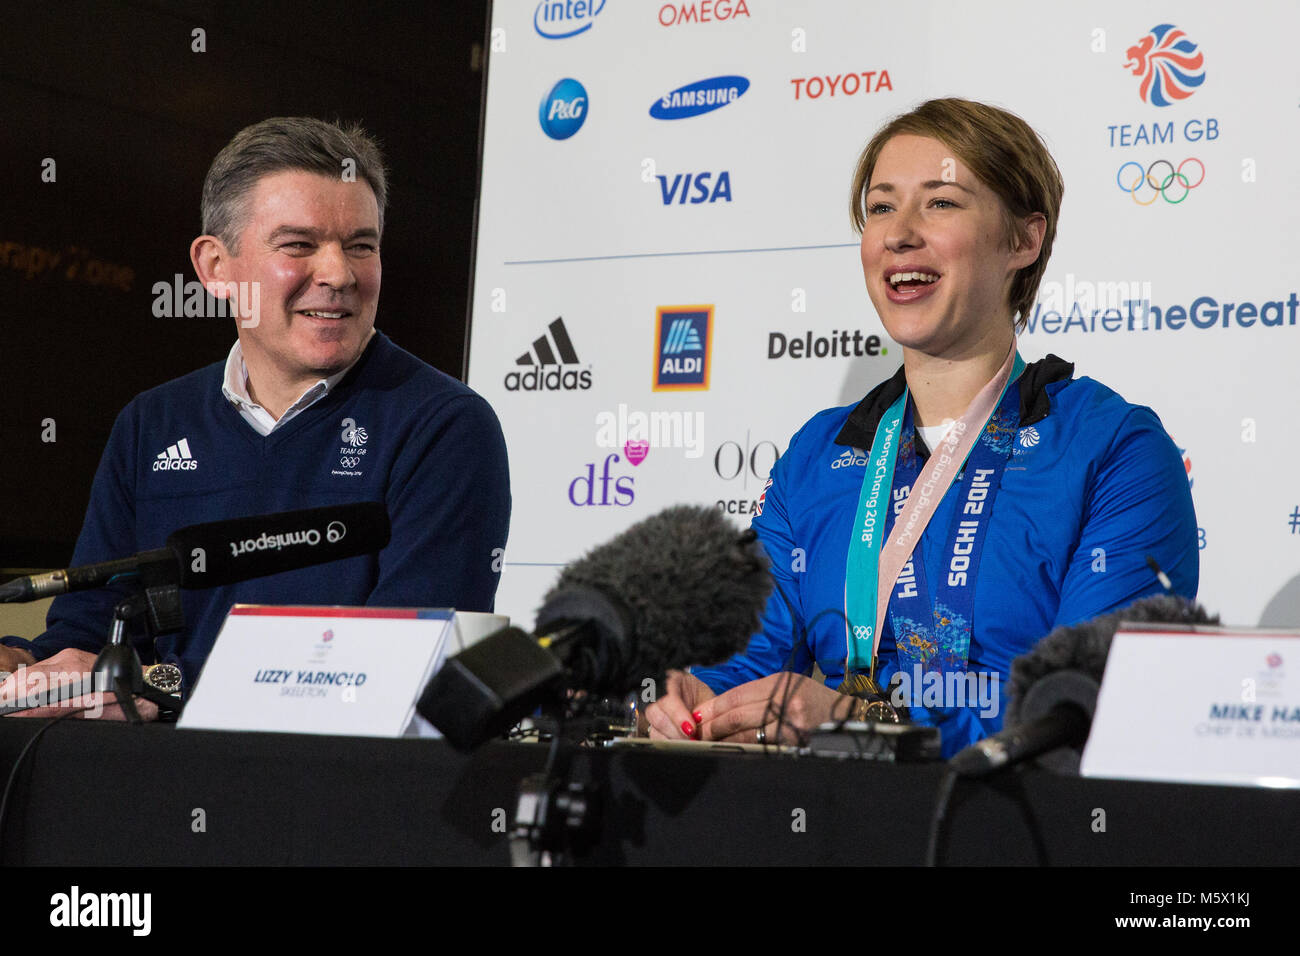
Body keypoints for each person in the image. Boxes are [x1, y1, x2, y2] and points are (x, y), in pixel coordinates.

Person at [644, 98, 1198, 756]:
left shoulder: (1115, 451)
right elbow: (751, 658)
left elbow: (1086, 705)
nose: (899, 233)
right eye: (880, 207)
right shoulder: (820, 454)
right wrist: (697, 696)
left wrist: (869, 723)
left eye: (940, 202)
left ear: (1024, 240)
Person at [0, 117, 511, 718]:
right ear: (216, 268)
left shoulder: (446, 427)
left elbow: (403, 669)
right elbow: (89, 630)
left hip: (330, 795)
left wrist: (163, 689)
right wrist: (27, 665)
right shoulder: (152, 423)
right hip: (142, 789)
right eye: (299, 245)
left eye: (361, 246)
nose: (340, 274)